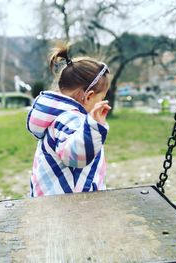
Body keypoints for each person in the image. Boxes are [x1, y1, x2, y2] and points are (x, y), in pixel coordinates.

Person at [26, 44, 111, 197]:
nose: (103, 102)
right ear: (89, 96)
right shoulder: (70, 119)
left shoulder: (60, 115)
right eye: (102, 98)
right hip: (69, 207)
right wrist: (95, 127)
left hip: (59, 199)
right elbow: (77, 155)